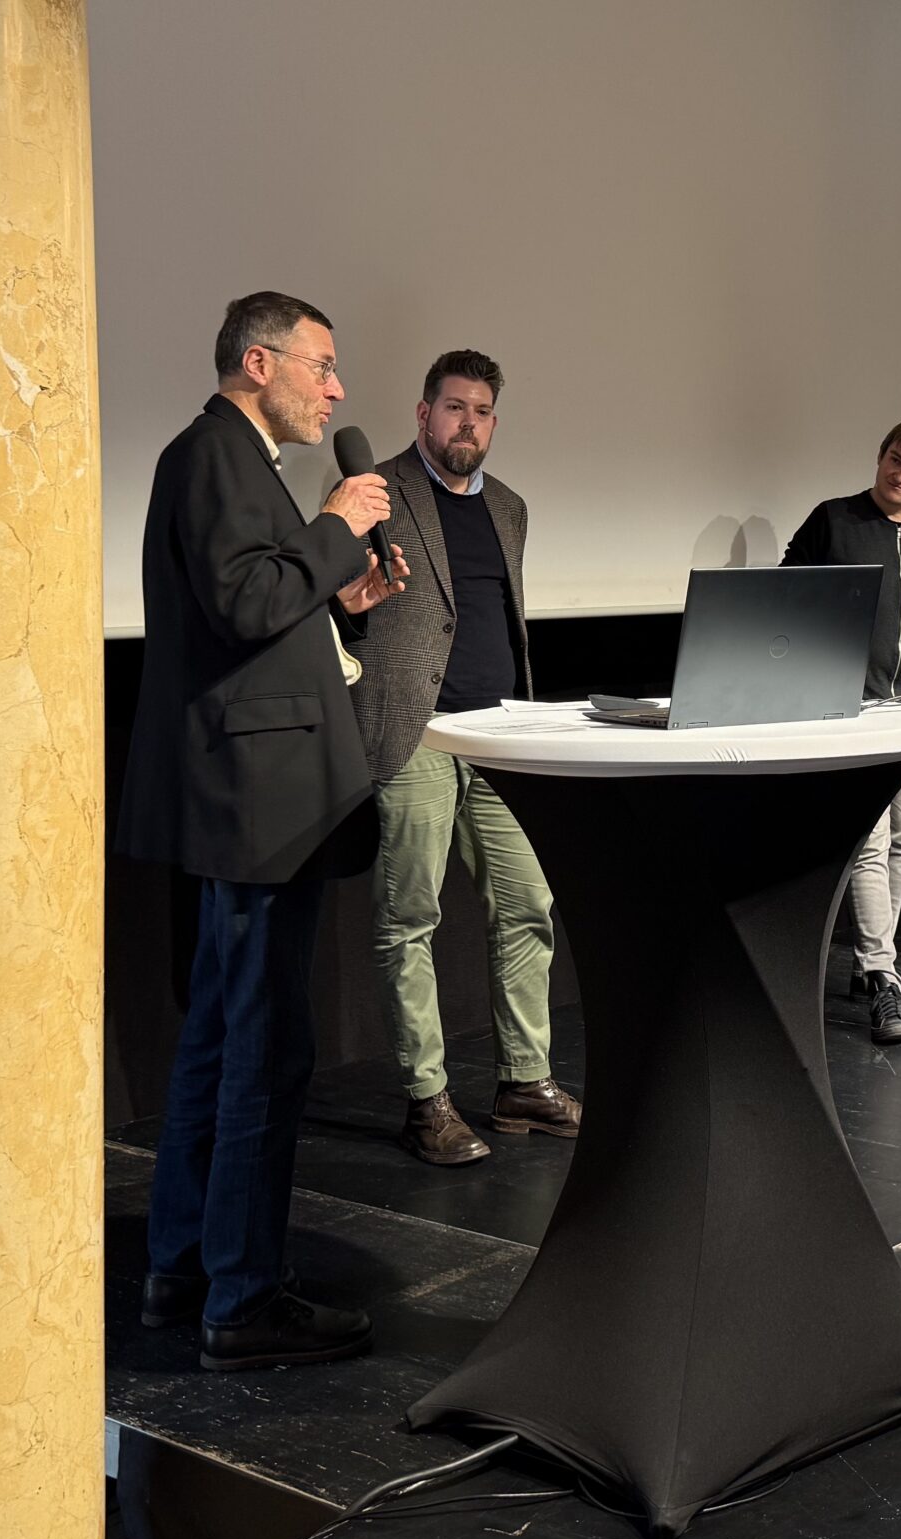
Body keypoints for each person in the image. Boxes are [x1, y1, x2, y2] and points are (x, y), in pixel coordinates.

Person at [115, 290, 407, 1371]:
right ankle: (242, 1298)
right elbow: (242, 603)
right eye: (321, 366)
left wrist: (342, 601)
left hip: (259, 800)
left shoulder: (236, 463)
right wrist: (336, 527)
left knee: (220, 1036)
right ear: (259, 362)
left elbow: (254, 611)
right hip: (258, 806)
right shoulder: (212, 457)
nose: (336, 389)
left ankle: (184, 1267)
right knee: (262, 1049)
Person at [347, 349, 581, 1165]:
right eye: (454, 408)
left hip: (500, 734)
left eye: (481, 412)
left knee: (527, 904)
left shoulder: (509, 507)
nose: (467, 424)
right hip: (417, 732)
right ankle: (427, 1101)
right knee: (409, 917)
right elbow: (341, 607)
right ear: (424, 414)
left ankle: (524, 1082)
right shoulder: (375, 492)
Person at [781, 417, 901, 1043]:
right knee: (871, 843)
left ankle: (875, 968)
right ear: (880, 457)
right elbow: (787, 592)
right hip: (853, 708)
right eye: (894, 460)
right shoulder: (834, 520)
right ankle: (882, 975)